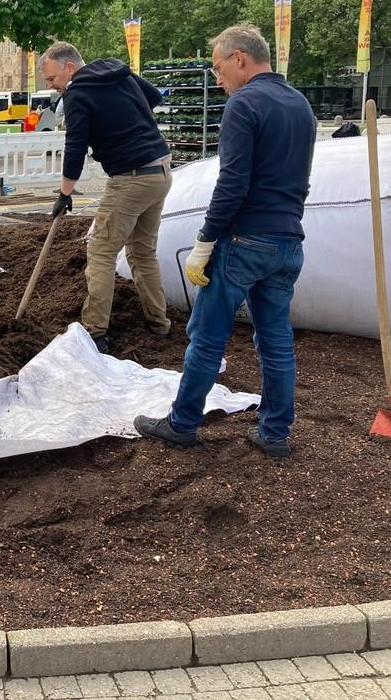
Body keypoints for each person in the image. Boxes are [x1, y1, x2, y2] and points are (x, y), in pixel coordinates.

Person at [134, 24, 316, 459]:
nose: (217, 79)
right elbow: (302, 180)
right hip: (288, 241)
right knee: (275, 339)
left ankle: (182, 424)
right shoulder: (301, 106)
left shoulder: (244, 104)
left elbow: (232, 183)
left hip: (244, 240)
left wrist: (206, 239)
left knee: (207, 336)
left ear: (240, 59)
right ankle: (275, 433)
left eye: (218, 68)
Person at [41, 41, 172, 353]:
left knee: (100, 250)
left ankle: (95, 331)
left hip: (131, 178)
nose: (51, 86)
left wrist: (64, 193)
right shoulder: (117, 70)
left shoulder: (77, 94)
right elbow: (153, 97)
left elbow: (75, 146)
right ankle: (160, 324)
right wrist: (125, 119)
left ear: (69, 67)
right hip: (161, 170)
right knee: (141, 252)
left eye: (51, 78)